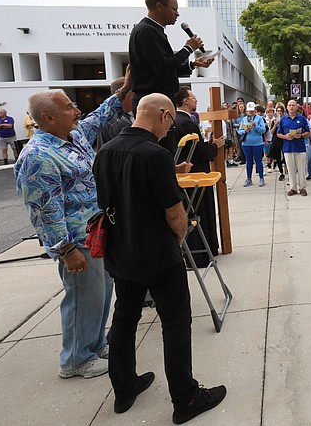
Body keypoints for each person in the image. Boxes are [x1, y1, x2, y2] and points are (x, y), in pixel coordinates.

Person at [93, 94, 227, 420]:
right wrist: (178, 240)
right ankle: (185, 397)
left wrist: (170, 168)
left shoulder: (106, 151)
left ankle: (124, 389)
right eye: (170, 123)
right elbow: (174, 213)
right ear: (165, 115)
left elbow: (113, 197)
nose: (170, 130)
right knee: (176, 322)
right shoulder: (154, 154)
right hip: (157, 254)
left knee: (125, 319)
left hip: (120, 253)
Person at [14, 76, 130, 380]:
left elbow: (98, 117)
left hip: (95, 234)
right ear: (48, 118)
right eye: (68, 107)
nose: (76, 110)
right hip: (76, 242)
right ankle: (76, 360)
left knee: (101, 292)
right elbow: (44, 210)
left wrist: (125, 89)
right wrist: (65, 250)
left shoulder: (73, 137)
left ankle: (94, 344)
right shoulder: (38, 155)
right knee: (82, 298)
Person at [128, 0, 214, 110]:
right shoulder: (147, 31)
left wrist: (193, 64)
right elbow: (162, 67)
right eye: (174, 9)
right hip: (153, 103)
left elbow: (164, 69)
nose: (177, 13)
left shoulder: (153, 30)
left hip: (159, 100)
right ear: (159, 6)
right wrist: (188, 48)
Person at [173, 86, 224, 267]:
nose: (196, 101)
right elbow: (198, 151)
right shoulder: (185, 122)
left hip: (190, 172)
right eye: (193, 98)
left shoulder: (178, 119)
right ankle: (200, 254)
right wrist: (214, 146)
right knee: (199, 212)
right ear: (185, 101)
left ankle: (206, 250)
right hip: (194, 174)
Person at [277, 100, 311, 196]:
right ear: (287, 107)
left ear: (296, 107)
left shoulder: (302, 119)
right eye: (290, 105)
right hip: (288, 148)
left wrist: (300, 135)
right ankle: (293, 188)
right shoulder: (283, 120)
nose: (291, 107)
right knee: (290, 169)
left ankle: (302, 188)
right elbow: (278, 134)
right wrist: (286, 137)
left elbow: (308, 132)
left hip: (300, 147)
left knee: (301, 169)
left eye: (293, 105)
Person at [96, 77, 135, 150]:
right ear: (125, 95)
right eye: (133, 94)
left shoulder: (109, 116)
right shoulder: (119, 121)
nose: (136, 98)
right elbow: (126, 150)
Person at [237, 103, 267, 187]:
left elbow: (263, 130)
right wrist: (244, 131)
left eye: (252, 111)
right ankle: (249, 178)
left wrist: (255, 126)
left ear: (255, 111)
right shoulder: (244, 119)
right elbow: (239, 130)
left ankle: (261, 178)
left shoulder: (259, 118)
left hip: (257, 143)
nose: (250, 113)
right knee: (249, 161)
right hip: (246, 143)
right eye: (249, 111)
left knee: (258, 161)